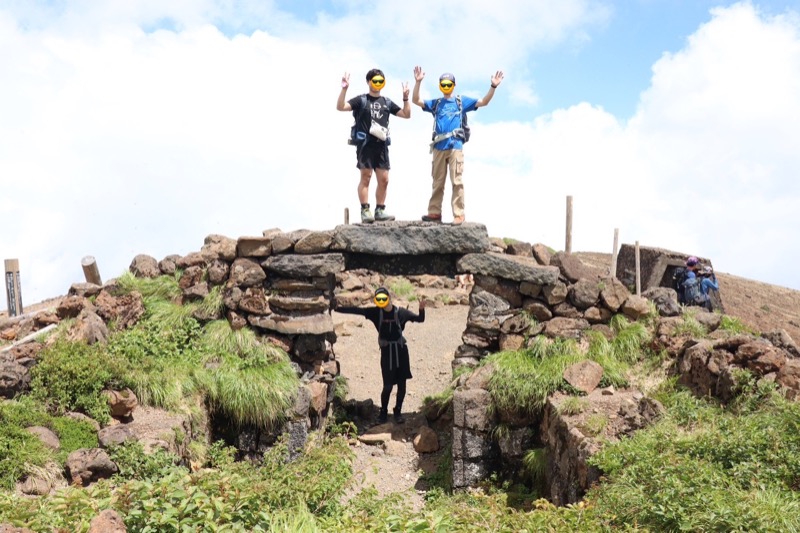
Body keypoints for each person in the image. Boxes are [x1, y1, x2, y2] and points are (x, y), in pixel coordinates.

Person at [412, 66, 504, 225]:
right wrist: (418, 82)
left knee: (457, 181)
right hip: (439, 146)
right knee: (437, 181)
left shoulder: (461, 101)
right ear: (440, 86)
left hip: (455, 145)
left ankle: (459, 214)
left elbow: (484, 102)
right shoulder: (436, 103)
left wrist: (493, 86)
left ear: (454, 85)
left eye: (449, 84)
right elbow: (416, 100)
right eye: (443, 84)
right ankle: (434, 213)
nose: (446, 87)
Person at [335, 287, 426, 424]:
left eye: (384, 298)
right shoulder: (376, 313)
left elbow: (420, 319)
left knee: (402, 385)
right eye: (379, 299)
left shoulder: (401, 312)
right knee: (388, 386)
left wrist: (421, 308)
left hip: (401, 352)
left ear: (388, 297)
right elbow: (357, 311)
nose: (381, 301)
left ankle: (398, 411)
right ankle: (383, 413)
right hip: (387, 353)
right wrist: (336, 308)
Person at [337, 69, 411, 224]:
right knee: (366, 177)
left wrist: (405, 98)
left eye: (380, 81)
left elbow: (406, 114)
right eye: (374, 81)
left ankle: (380, 210)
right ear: (368, 82)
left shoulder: (387, 102)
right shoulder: (361, 100)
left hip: (381, 145)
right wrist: (344, 89)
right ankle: (365, 210)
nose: (377, 84)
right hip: (365, 145)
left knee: (384, 179)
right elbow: (341, 106)